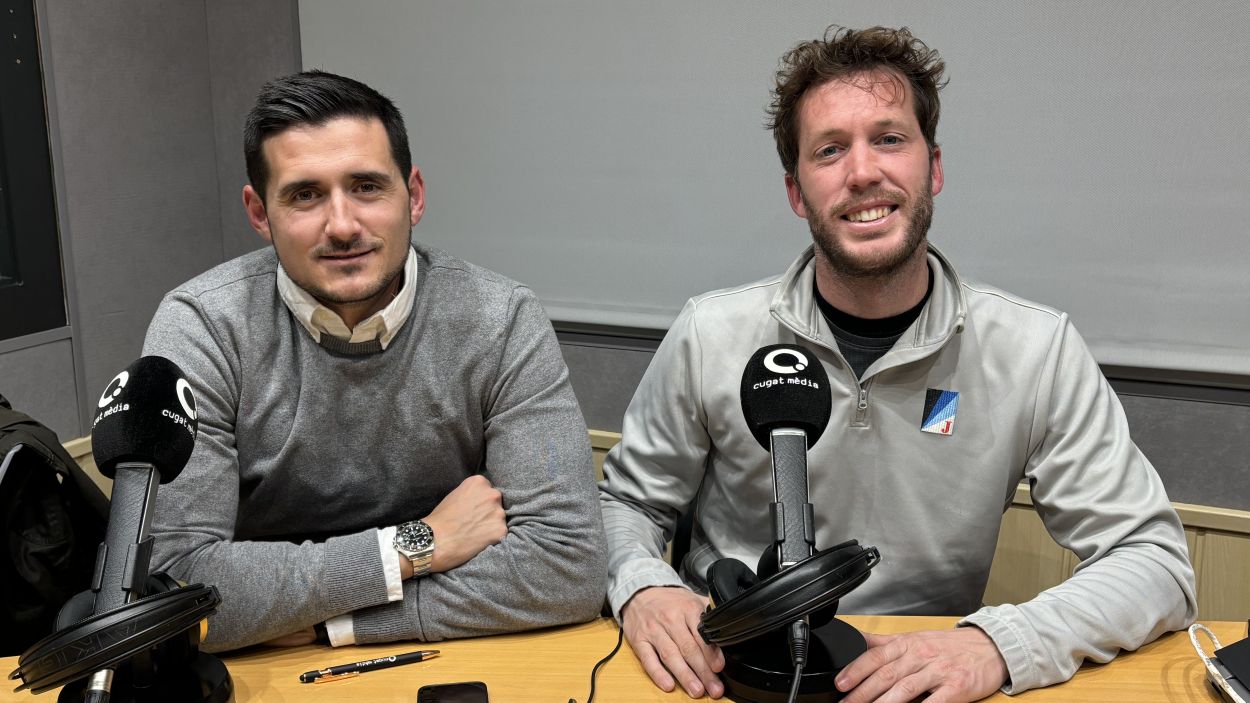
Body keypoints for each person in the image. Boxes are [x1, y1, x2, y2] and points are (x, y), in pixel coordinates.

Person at [598, 25, 1196, 703]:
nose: (862, 172)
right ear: (797, 192)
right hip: (724, 675)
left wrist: (998, 642)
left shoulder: (1035, 350)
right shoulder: (711, 333)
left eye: (888, 138)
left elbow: (1155, 562)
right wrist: (645, 584)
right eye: (830, 150)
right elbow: (626, 502)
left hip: (915, 683)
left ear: (933, 168)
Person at [142, 70, 607, 652]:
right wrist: (417, 545)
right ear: (259, 212)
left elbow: (566, 568)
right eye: (305, 195)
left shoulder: (500, 318)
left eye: (366, 186)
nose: (342, 225)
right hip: (261, 678)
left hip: (428, 655)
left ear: (413, 195)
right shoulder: (203, 325)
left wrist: (322, 623)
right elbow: (178, 587)